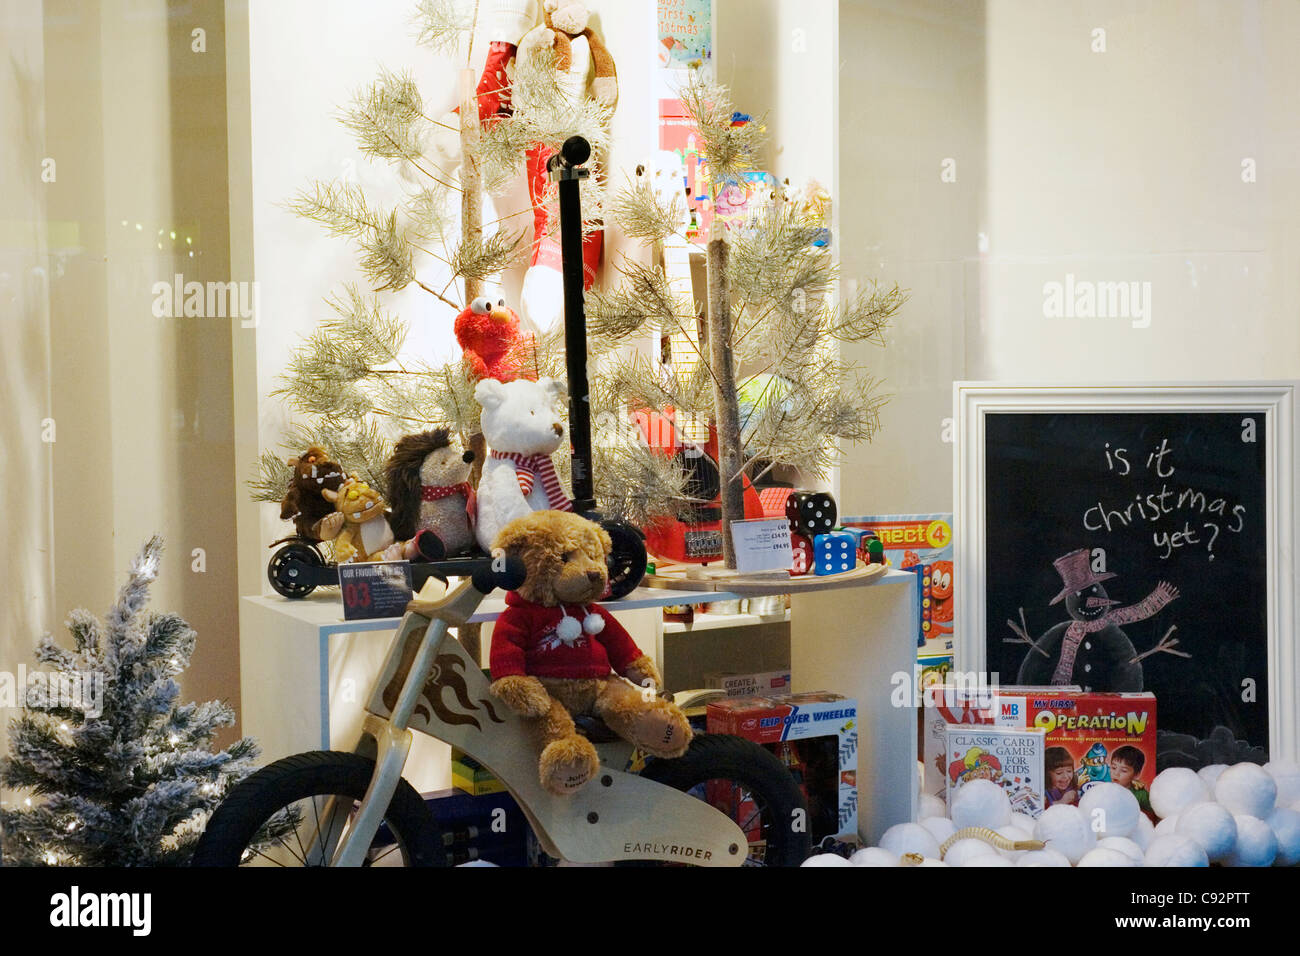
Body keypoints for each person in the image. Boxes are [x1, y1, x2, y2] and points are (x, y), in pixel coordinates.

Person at [1109, 745, 1152, 814]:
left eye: (1123, 770)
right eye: (1113, 767)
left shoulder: (1140, 794)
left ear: (1136, 775)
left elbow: (1155, 812)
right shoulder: (1105, 789)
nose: (1116, 773)